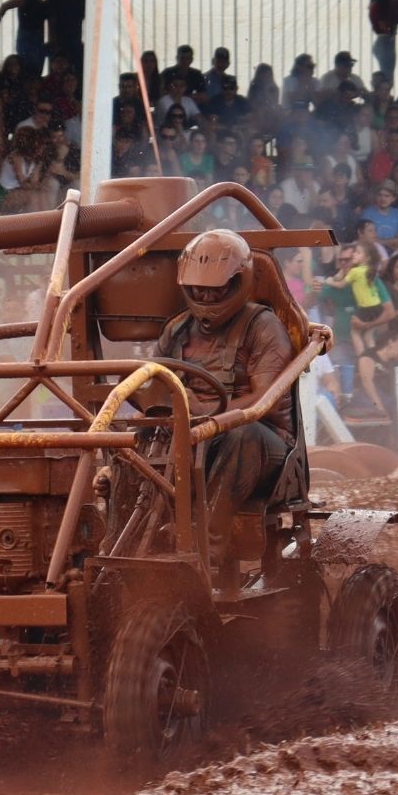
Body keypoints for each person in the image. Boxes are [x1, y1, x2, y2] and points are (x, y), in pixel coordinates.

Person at [152, 230, 294, 576]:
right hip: (191, 434)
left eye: (215, 289)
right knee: (138, 441)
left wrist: (206, 416)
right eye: (198, 288)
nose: (205, 296)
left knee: (239, 435)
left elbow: (265, 400)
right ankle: (130, 545)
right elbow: (150, 387)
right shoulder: (176, 330)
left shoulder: (263, 325)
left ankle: (206, 550)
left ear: (238, 282)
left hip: (265, 444)